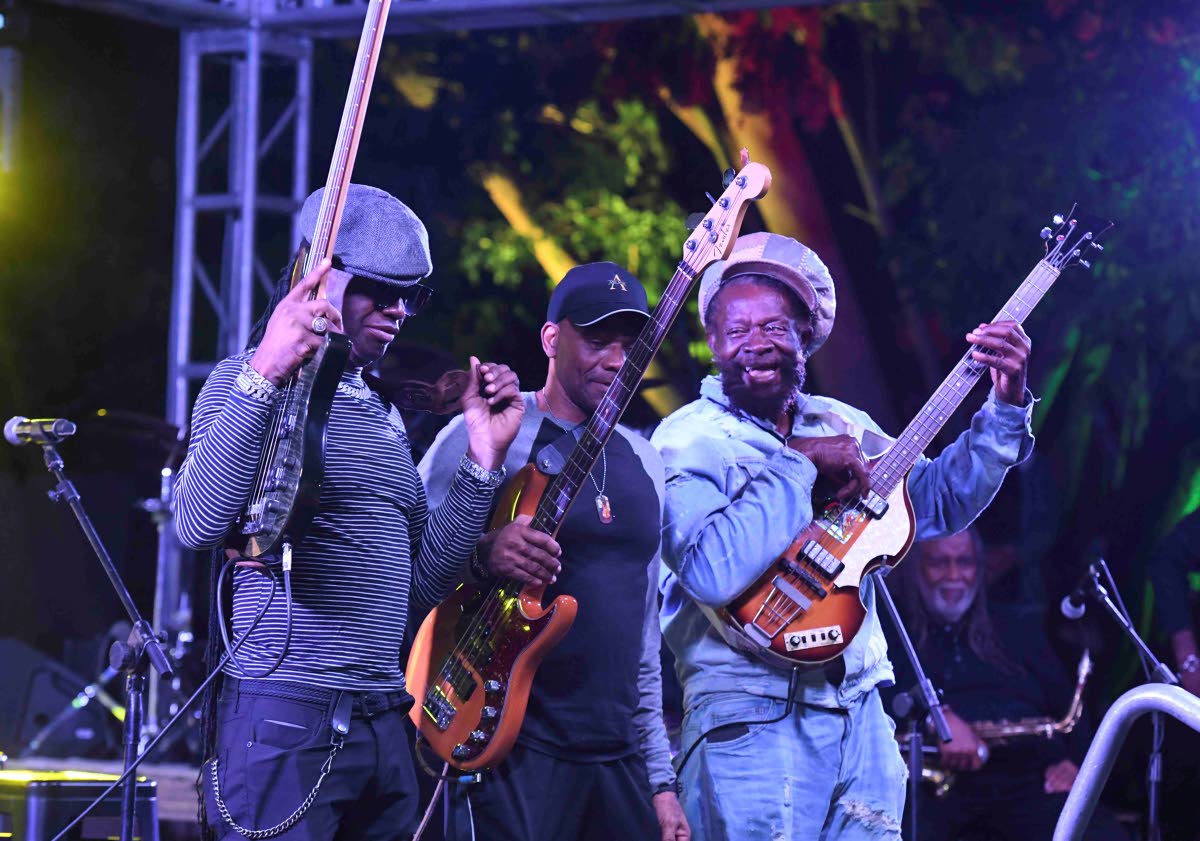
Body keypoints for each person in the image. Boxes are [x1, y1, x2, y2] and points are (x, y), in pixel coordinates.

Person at [650, 232, 1036, 841]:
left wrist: (1005, 403)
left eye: (776, 327)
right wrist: (800, 462)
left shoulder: (842, 423)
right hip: (746, 723)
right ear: (713, 342)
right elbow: (710, 570)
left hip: (861, 718)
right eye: (738, 330)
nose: (757, 345)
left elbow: (936, 503)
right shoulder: (685, 440)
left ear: (806, 336)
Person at [174, 183, 524, 840]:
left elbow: (418, 587)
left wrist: (483, 461)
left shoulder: (385, 414)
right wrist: (267, 371)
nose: (398, 311)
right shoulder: (243, 378)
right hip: (287, 712)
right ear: (321, 277)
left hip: (385, 714)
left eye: (410, 296)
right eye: (380, 291)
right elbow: (194, 522)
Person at [420, 262, 689, 841]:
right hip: (507, 749)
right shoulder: (491, 432)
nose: (616, 361)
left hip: (617, 759)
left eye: (627, 345)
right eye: (596, 342)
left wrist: (661, 783)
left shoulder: (646, 463)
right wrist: (483, 553)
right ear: (551, 339)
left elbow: (642, 641)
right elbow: (407, 570)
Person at [887, 529, 1130, 841]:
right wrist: (937, 716)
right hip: (935, 788)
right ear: (915, 569)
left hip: (1026, 780)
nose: (953, 575)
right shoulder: (892, 630)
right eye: (938, 563)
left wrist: (1076, 764)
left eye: (964, 562)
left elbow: (1070, 706)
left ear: (980, 568)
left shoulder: (1017, 626)